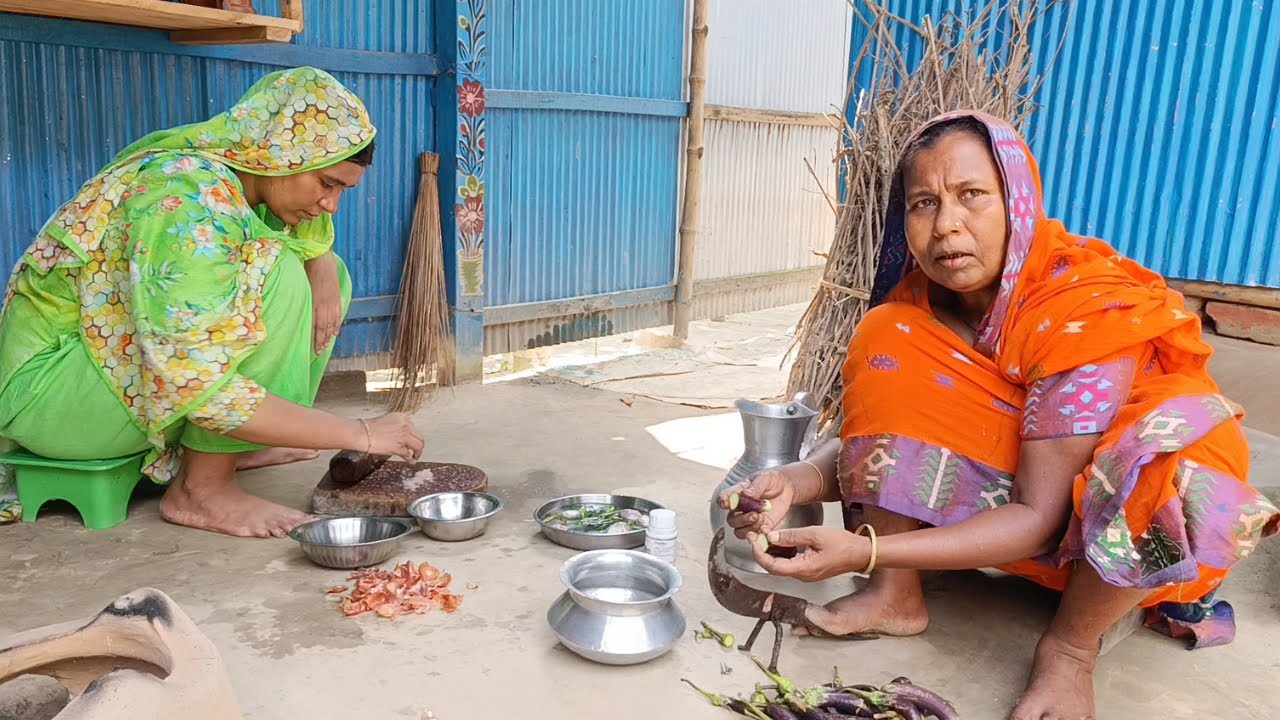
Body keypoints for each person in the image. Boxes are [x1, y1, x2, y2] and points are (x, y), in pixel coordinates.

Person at [720, 110, 1280, 719]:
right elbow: (884, 428)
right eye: (923, 203)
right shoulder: (921, 308)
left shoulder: (1080, 311)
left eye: (972, 196)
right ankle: (895, 597)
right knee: (890, 335)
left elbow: (1039, 518)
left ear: (1018, 201)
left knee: (1157, 463)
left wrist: (865, 551)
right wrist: (796, 480)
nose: (946, 226)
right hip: (1033, 495)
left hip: (1124, 552)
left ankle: (1070, 650)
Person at [0, 67, 424, 538]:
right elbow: (193, 383)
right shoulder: (186, 197)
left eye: (343, 190)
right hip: (48, 401)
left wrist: (322, 262)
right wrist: (360, 434)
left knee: (321, 270)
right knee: (278, 271)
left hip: (105, 380)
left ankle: (230, 447)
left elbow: (312, 239)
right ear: (281, 154)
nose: (332, 205)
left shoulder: (240, 186)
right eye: (327, 184)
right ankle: (202, 490)